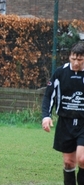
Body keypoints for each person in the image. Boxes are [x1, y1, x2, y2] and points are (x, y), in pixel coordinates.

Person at [42, 41, 84, 185]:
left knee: (82, 159)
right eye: (73, 58)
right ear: (69, 56)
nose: (76, 62)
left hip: (83, 123)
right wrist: (46, 117)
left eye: (80, 59)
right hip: (65, 123)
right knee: (68, 163)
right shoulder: (60, 73)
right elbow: (49, 96)